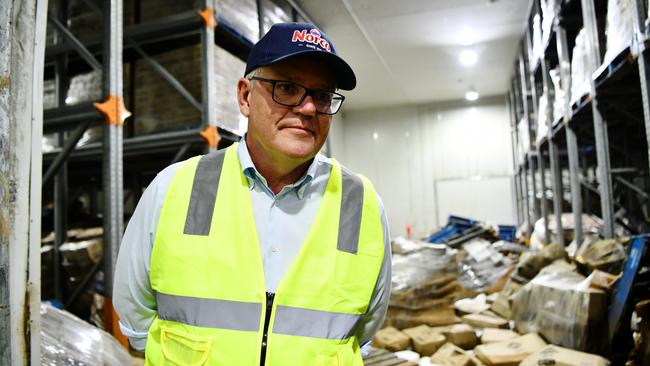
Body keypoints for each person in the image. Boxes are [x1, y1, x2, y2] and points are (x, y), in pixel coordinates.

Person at [114, 22, 391, 366]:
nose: (307, 109)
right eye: (287, 88)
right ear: (245, 96)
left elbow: (362, 330)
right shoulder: (175, 187)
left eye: (321, 96)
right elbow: (135, 315)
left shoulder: (361, 204)